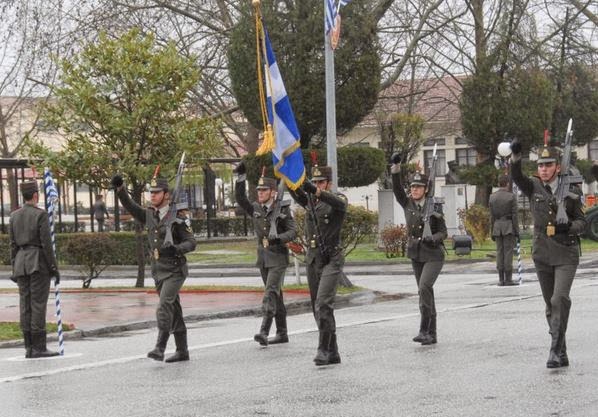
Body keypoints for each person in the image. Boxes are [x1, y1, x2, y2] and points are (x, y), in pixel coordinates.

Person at [510, 139, 586, 368]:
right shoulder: (533, 186)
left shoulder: (571, 189)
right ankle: (561, 350)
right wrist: (515, 157)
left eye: (548, 164)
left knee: (558, 298)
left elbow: (582, 222)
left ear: (558, 167)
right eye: (541, 165)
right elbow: (517, 177)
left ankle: (553, 350)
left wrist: (568, 227)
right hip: (542, 250)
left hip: (566, 251)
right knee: (550, 304)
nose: (543, 169)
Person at [111, 174, 196, 362]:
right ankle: (183, 350)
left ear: (166, 194)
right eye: (151, 192)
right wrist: (120, 190)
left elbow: (191, 242)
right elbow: (132, 208)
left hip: (175, 268)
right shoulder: (150, 214)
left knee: (164, 305)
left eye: (157, 192)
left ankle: (160, 347)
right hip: (158, 269)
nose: (153, 195)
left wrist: (177, 248)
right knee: (173, 308)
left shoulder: (178, 215)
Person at [288, 165, 347, 366]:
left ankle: (323, 349)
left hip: (332, 258)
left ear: (328, 183)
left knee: (323, 303)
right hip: (314, 259)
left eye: (321, 182)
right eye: (315, 181)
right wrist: (288, 176)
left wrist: (314, 190)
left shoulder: (337, 201)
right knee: (317, 307)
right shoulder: (311, 203)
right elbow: (298, 195)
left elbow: (337, 203)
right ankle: (333, 351)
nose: (317, 185)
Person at [234, 163, 296, 346]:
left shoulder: (282, 209)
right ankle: (282, 332)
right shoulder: (256, 209)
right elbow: (240, 197)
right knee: (276, 295)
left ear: (273, 191)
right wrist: (241, 177)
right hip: (263, 258)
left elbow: (293, 231)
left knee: (270, 292)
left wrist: (279, 238)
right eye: (258, 190)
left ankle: (264, 331)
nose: (260, 193)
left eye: (264, 190)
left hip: (278, 258)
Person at [390, 154, 447, 345]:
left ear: (426, 189)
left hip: (434, 254)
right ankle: (432, 333)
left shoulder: (434, 205)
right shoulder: (407, 204)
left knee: (424, 287)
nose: (414, 190)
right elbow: (397, 189)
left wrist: (434, 238)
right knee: (425, 292)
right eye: (413, 187)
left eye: (418, 187)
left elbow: (444, 232)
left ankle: (424, 329)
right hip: (416, 253)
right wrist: (396, 167)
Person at [9, 180, 60, 358]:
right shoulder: (41, 215)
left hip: (21, 263)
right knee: (38, 304)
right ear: (36, 195)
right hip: (37, 263)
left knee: (25, 305)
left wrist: (14, 267)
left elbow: (13, 245)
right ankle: (39, 347)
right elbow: (46, 245)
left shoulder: (14, 216)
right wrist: (54, 268)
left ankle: (29, 346)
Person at [489, 175, 519, 286]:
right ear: (507, 183)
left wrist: (492, 230)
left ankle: (501, 279)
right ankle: (508, 279)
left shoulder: (492, 197)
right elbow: (515, 216)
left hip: (497, 226)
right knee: (508, 252)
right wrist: (517, 231)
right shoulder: (511, 197)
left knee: (499, 252)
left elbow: (491, 217)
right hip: (508, 226)